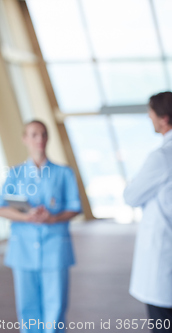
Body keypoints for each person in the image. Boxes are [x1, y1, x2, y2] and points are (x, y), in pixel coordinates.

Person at [0, 120, 81, 333]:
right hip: (23, 249)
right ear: (25, 139)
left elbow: (75, 207)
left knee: (57, 304)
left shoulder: (64, 173)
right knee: (27, 306)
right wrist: (27, 217)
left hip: (55, 247)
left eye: (43, 134)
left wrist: (52, 218)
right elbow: (1, 208)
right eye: (34, 134)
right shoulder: (15, 174)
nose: (39, 139)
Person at [124, 91, 172, 332]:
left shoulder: (162, 156)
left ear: (163, 118)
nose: (149, 118)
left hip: (164, 260)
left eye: (151, 114)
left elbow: (131, 196)